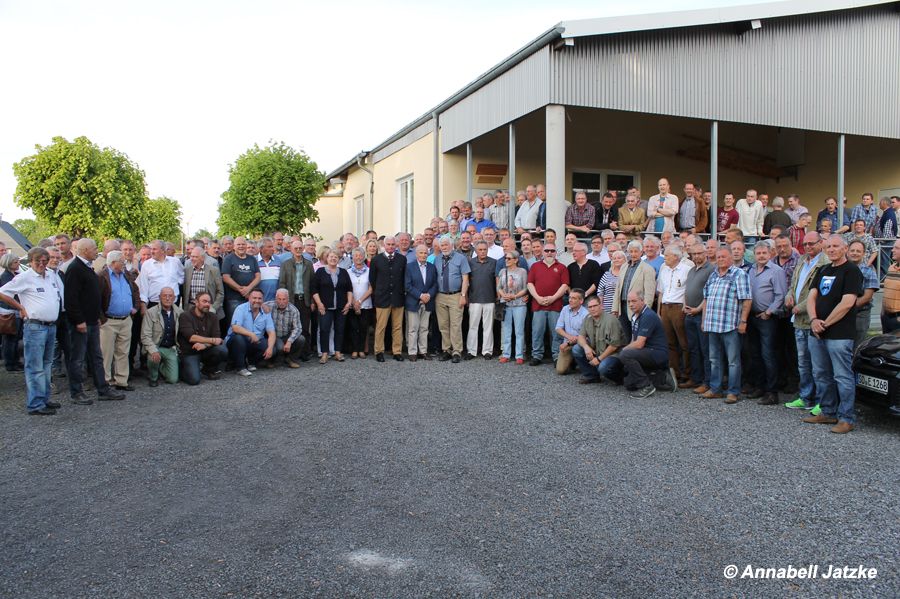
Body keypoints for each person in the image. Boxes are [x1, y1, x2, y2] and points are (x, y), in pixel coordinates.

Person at [803, 236, 863, 433]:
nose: (831, 249)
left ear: (845, 248)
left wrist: (825, 323)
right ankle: (828, 411)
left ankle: (846, 418)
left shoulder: (851, 271)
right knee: (821, 374)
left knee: (842, 376)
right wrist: (814, 320)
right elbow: (811, 297)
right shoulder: (823, 270)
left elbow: (847, 303)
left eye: (836, 246)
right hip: (817, 332)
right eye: (828, 246)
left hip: (840, 334)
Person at [0, 248, 64, 414]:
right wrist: (20, 307)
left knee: (47, 364)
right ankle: (35, 404)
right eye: (38, 261)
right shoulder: (25, 277)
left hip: (50, 326)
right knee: (35, 366)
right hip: (35, 326)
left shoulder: (50, 275)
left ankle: (44, 398)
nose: (42, 264)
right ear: (30, 262)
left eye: (44, 261)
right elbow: (3, 292)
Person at [65, 239, 125, 403]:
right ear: (84, 250)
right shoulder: (75, 268)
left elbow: (91, 296)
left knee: (97, 357)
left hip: (92, 321)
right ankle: (76, 393)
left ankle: (103, 389)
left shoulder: (87, 267)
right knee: (77, 359)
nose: (96, 250)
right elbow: (71, 298)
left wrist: (97, 316)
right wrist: (79, 320)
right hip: (81, 323)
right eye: (94, 248)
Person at [698, 247, 752, 404]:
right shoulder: (713, 275)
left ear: (731, 258)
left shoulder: (739, 274)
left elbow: (747, 299)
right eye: (718, 257)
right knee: (714, 359)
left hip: (730, 325)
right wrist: (704, 320)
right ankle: (716, 389)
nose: (720, 259)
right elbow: (706, 299)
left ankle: (733, 392)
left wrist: (743, 321)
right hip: (712, 324)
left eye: (723, 257)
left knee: (733, 361)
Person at [745, 241, 787, 405]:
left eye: (764, 253)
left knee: (768, 354)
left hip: (767, 318)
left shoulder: (776, 271)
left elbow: (780, 295)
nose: (761, 256)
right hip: (752, 316)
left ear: (770, 254)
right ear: (754, 255)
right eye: (758, 253)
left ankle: (772, 392)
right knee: (754, 354)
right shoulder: (751, 270)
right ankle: (759, 386)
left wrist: (769, 312)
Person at [98, 250, 140, 391]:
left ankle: (121, 381)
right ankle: (105, 382)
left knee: (123, 352)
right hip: (109, 321)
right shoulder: (102, 277)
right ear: (113, 262)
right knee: (106, 353)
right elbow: (96, 299)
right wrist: (102, 319)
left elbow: (135, 290)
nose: (124, 263)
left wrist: (135, 307)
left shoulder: (126, 275)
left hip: (125, 320)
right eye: (121, 261)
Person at [619, 290, 670, 398]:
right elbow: (634, 340)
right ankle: (664, 377)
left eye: (634, 301)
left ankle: (646, 386)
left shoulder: (648, 315)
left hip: (657, 353)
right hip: (646, 352)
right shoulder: (635, 316)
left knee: (625, 354)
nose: (630, 304)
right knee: (629, 384)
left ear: (642, 301)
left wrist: (624, 351)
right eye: (629, 302)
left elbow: (639, 344)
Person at [527, 242, 569, 366]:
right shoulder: (535, 266)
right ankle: (537, 355)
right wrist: (538, 298)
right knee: (537, 331)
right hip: (538, 305)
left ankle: (556, 356)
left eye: (552, 251)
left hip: (555, 305)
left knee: (556, 333)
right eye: (547, 251)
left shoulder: (562, 267)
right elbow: (530, 284)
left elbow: (565, 285)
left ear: (556, 253)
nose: (549, 253)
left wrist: (553, 298)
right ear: (543, 252)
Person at [656, 245, 692, 385]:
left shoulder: (686, 269)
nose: (664, 257)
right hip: (666, 306)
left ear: (676, 257)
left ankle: (687, 373)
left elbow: (688, 290)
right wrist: (659, 310)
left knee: (683, 342)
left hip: (678, 307)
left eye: (667, 255)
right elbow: (661, 291)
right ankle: (674, 372)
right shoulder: (663, 269)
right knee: (669, 342)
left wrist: (684, 306)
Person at [682, 243, 715, 393]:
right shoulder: (691, 270)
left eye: (699, 253)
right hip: (689, 314)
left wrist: (698, 309)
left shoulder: (711, 270)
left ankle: (707, 382)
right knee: (693, 349)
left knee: (705, 349)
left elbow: (709, 294)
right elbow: (687, 290)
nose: (696, 256)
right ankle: (695, 378)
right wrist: (685, 305)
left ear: (705, 253)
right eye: (694, 254)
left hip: (702, 315)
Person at [572, 295, 626, 384]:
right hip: (599, 350)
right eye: (590, 307)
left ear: (601, 306)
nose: (592, 309)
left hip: (615, 354)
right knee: (576, 349)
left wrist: (599, 359)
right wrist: (586, 347)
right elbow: (581, 337)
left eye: (595, 306)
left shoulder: (611, 320)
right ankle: (592, 376)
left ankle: (622, 379)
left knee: (604, 367)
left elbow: (614, 346)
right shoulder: (588, 318)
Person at [310, 250, 353, 364]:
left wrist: (349, 303)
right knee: (324, 329)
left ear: (338, 259)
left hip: (341, 306)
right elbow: (314, 289)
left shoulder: (343, 272)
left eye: (335, 257)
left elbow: (349, 288)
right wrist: (319, 304)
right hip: (325, 306)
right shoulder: (320, 271)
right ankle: (324, 353)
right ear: (327, 258)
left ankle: (337, 352)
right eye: (331, 257)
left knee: (340, 329)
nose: (333, 259)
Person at [433, 235, 470, 362]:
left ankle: (456, 351)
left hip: (455, 295)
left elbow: (465, 278)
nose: (444, 247)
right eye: (442, 245)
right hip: (440, 295)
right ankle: (446, 350)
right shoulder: (437, 259)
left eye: (446, 245)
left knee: (455, 324)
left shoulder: (461, 258)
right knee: (443, 325)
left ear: (452, 245)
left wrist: (463, 296)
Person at [369, 236, 407, 362]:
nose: (390, 246)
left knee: (397, 327)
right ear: (384, 245)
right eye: (388, 244)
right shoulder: (376, 260)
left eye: (392, 244)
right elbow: (372, 279)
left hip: (398, 297)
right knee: (381, 327)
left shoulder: (402, 259)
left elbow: (404, 278)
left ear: (396, 245)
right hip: (382, 298)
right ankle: (379, 351)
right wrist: (379, 292)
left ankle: (397, 351)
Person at [177, 291, 227, 385]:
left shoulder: (213, 317)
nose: (207, 304)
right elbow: (191, 337)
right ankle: (183, 368)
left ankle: (208, 369)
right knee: (194, 380)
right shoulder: (185, 316)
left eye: (209, 302)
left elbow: (217, 338)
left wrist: (205, 345)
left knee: (222, 350)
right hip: (190, 352)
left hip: (206, 350)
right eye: (204, 301)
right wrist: (212, 340)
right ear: (196, 302)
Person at [612, 240, 657, 341]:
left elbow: (649, 294)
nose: (633, 254)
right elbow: (618, 288)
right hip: (622, 306)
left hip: (638, 307)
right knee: (626, 336)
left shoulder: (647, 269)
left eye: (636, 251)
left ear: (641, 252)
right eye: (631, 251)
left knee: (637, 337)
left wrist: (644, 312)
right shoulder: (624, 266)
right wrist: (615, 307)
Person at [225, 288, 276, 376]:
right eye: (254, 298)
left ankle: (251, 362)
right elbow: (235, 327)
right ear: (249, 298)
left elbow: (271, 332)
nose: (257, 300)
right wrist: (251, 334)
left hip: (254, 342)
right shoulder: (241, 308)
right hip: (237, 341)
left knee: (272, 349)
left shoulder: (266, 312)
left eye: (259, 298)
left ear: (263, 300)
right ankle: (241, 368)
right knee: (239, 339)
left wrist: (270, 348)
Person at [277, 240, 315, 353]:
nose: (298, 250)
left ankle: (305, 353)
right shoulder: (286, 264)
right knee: (291, 327)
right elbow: (282, 283)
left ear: (303, 249)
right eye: (296, 248)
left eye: (300, 248)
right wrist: (283, 300)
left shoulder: (309, 264)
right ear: (291, 250)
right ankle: (292, 352)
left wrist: (312, 301)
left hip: (305, 300)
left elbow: (312, 284)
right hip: (291, 300)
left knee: (305, 327)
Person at [140, 286, 181, 387]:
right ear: (159, 297)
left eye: (170, 296)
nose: (167, 298)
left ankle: (161, 367)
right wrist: (153, 350)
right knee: (153, 357)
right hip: (156, 346)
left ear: (174, 298)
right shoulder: (150, 312)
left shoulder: (180, 312)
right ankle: (153, 376)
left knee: (173, 379)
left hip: (170, 349)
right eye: (164, 296)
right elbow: (145, 335)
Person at [404, 244, 438, 361]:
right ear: (416, 254)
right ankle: (412, 352)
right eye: (421, 253)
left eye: (425, 253)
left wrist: (429, 295)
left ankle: (423, 351)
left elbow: (435, 284)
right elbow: (407, 285)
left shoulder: (432, 267)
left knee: (424, 328)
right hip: (413, 301)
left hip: (428, 301)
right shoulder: (409, 267)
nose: (423, 255)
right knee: (413, 328)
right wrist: (420, 295)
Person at [465, 242, 497, 359]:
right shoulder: (470, 262)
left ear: (487, 250)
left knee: (488, 327)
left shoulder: (494, 262)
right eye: (480, 250)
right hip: (474, 299)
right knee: (473, 326)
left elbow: (497, 281)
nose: (482, 252)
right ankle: (471, 351)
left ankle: (487, 351)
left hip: (490, 298)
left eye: (484, 249)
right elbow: (466, 281)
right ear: (476, 251)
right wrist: (466, 297)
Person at [497, 250, 529, 364]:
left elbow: (526, 288)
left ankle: (519, 355)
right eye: (506, 258)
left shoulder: (522, 271)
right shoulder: (502, 271)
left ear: (516, 260)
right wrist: (503, 295)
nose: (506, 260)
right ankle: (506, 354)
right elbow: (499, 287)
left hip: (519, 304)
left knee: (519, 330)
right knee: (506, 330)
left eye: (509, 258)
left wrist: (515, 296)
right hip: (506, 304)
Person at [847, 239, 880, 350]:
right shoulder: (842, 270)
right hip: (842, 314)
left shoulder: (869, 271)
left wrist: (846, 307)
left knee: (857, 346)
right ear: (847, 251)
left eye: (858, 251)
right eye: (852, 250)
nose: (855, 253)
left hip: (860, 314)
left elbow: (867, 297)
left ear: (864, 253)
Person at [221, 236, 261, 327]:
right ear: (234, 247)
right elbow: (226, 277)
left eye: (243, 244)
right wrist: (241, 289)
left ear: (246, 245)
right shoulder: (228, 259)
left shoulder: (252, 259)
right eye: (238, 244)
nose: (241, 246)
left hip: (250, 299)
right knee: (235, 325)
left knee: (249, 325)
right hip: (233, 299)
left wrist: (248, 289)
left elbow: (258, 276)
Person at [264, 289, 306, 368]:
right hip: (274, 336)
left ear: (288, 299)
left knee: (301, 339)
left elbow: (298, 328)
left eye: (284, 299)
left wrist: (289, 341)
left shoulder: (294, 310)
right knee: (280, 347)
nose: (281, 302)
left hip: (287, 335)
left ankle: (291, 359)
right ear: (275, 299)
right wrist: (263, 306)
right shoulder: (269, 305)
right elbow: (258, 303)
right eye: (279, 299)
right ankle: (272, 360)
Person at [137, 239, 184, 310]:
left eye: (154, 249)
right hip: (154, 303)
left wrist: (176, 283)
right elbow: (144, 286)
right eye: (151, 249)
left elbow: (182, 275)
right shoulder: (146, 265)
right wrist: (143, 305)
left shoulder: (175, 262)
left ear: (163, 250)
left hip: (173, 303)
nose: (152, 252)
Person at [183, 247, 225, 322]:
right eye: (191, 256)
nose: (192, 259)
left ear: (203, 258)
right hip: (191, 308)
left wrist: (214, 307)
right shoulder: (186, 271)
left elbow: (220, 292)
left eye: (195, 257)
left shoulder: (214, 271)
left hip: (208, 308)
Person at [554, 288, 588, 374]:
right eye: (569, 297)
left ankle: (579, 361)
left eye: (574, 298)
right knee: (560, 371)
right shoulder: (565, 309)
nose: (570, 300)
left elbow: (585, 336)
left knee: (577, 349)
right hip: (568, 343)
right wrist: (569, 337)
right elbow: (558, 328)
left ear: (581, 301)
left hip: (580, 344)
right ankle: (572, 361)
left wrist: (567, 343)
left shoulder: (586, 314)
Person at [347, 248, 373, 359]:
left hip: (365, 304)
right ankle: (354, 350)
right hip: (352, 304)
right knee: (353, 328)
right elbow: (347, 289)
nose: (358, 257)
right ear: (352, 257)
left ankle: (361, 350)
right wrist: (354, 303)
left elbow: (371, 289)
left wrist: (360, 301)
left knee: (363, 328)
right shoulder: (348, 272)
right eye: (356, 255)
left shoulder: (369, 271)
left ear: (364, 257)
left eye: (360, 255)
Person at [0, 254, 23, 371]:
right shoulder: (6, 277)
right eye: (15, 262)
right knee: (10, 338)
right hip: (9, 311)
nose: (18, 263)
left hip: (14, 310)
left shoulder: (14, 275)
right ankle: (10, 363)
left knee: (15, 337)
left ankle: (15, 360)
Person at [883, 238, 900, 334]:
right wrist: (882, 313)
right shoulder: (891, 268)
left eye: (896, 248)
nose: (892, 250)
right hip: (886, 317)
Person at [256, 237, 281, 302]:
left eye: (272, 246)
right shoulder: (254, 261)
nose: (272, 249)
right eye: (269, 247)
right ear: (261, 249)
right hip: (259, 300)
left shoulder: (278, 260)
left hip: (276, 301)